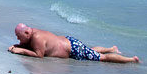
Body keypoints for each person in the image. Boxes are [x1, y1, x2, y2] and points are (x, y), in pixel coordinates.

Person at [8, 23, 139, 63]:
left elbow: (39, 55)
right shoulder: (33, 32)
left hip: (73, 49)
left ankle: (131, 60)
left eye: (19, 37)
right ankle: (112, 48)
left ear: (26, 33)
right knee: (90, 50)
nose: (19, 40)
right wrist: (17, 46)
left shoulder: (36, 38)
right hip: (70, 42)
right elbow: (28, 45)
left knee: (101, 58)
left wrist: (21, 50)